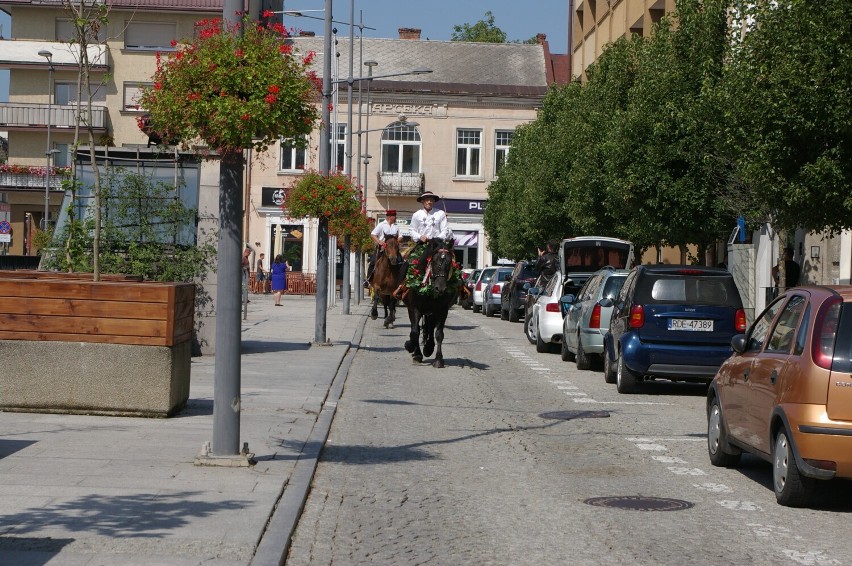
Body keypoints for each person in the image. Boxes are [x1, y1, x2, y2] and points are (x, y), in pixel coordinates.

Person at [394, 191, 453, 298]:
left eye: (431, 200)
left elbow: (445, 230)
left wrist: (437, 238)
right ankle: (400, 288)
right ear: (422, 201)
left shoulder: (440, 214)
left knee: (451, 262)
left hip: (437, 245)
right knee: (407, 262)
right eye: (427, 200)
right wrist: (420, 236)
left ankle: (459, 288)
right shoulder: (417, 215)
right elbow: (411, 230)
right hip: (422, 244)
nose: (429, 202)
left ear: (434, 201)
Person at [364, 209, 400, 288]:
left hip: (393, 248)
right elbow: (373, 234)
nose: (395, 217)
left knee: (401, 261)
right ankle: (368, 280)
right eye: (394, 216)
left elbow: (398, 236)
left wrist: (400, 239)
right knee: (373, 262)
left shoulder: (396, 226)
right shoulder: (381, 224)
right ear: (390, 217)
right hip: (382, 248)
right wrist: (379, 241)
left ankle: (400, 280)